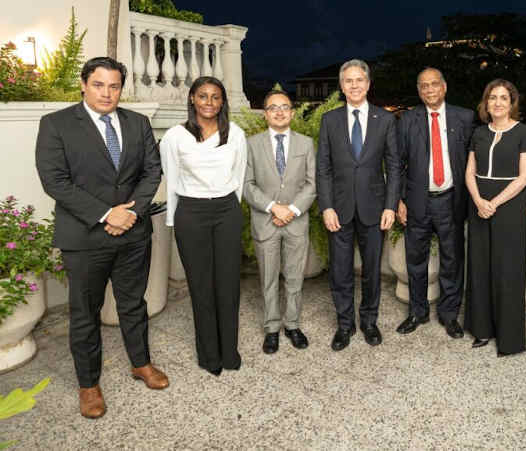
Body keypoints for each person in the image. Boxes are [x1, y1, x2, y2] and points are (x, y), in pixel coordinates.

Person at [35, 57, 167, 419]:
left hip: (133, 235)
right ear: (83, 84)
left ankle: (141, 363)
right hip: (84, 237)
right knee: (84, 314)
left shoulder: (137, 123)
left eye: (114, 86)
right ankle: (89, 384)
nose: (107, 93)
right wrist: (109, 214)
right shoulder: (56, 124)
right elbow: (55, 181)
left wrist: (132, 212)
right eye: (99, 84)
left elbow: (152, 172)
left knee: (132, 304)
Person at [160, 76, 248, 376]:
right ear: (192, 100)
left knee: (228, 284)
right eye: (203, 96)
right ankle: (209, 355)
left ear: (222, 102)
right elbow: (171, 180)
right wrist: (174, 221)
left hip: (226, 211)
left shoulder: (235, 133)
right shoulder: (175, 136)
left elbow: (239, 177)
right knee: (201, 286)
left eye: (215, 97)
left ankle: (229, 351)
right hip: (191, 213)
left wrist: (231, 210)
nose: (209, 102)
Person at [316, 59, 401, 351]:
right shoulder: (329, 120)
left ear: (368, 84)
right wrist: (326, 206)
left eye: (359, 80)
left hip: (375, 209)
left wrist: (390, 206)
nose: (354, 85)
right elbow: (323, 168)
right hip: (338, 210)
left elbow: (393, 166)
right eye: (348, 81)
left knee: (372, 270)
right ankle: (344, 325)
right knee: (340, 271)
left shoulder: (385, 120)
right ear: (342, 86)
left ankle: (368, 321)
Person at [395, 68, 475, 339]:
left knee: (452, 260)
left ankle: (449, 314)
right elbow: (398, 164)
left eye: (434, 85)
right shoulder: (407, 120)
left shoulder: (464, 118)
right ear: (419, 91)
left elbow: (473, 160)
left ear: (444, 87)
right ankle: (417, 312)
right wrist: (399, 200)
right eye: (423, 86)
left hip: (451, 201)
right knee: (415, 260)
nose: (429, 90)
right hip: (417, 202)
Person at [465, 79, 526, 356]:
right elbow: (469, 171)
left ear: (511, 102)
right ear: (486, 102)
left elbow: (524, 177)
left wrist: (493, 202)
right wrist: (479, 201)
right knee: (480, 267)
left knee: (508, 270)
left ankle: (509, 338)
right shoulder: (479, 133)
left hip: (508, 205)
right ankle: (481, 329)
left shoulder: (523, 132)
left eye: (503, 98)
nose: (497, 102)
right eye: (492, 97)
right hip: (478, 202)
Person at [243, 90, 316, 354]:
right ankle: (272, 327)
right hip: (266, 221)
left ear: (292, 113)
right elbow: (246, 185)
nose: (279, 112)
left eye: (285, 107)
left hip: (296, 222)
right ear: (265, 114)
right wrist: (274, 207)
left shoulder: (306, 143)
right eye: (273, 107)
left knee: (295, 277)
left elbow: (312, 183)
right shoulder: (252, 144)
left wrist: (293, 210)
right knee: (269, 277)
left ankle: (293, 324)